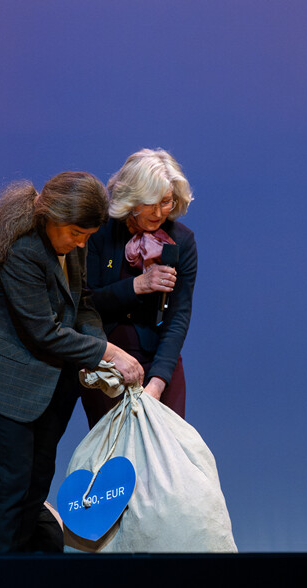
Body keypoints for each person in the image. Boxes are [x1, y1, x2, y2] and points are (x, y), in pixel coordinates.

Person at [0, 172, 144, 553]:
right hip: (3, 381)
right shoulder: (22, 248)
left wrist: (95, 343)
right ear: (54, 216)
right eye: (77, 234)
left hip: (49, 382)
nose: (82, 243)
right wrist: (109, 353)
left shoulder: (71, 241)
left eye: (88, 236)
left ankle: (24, 566)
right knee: (10, 482)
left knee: (38, 477)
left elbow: (83, 302)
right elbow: (43, 331)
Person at [80, 149, 196, 427]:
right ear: (130, 198)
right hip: (106, 359)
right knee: (115, 448)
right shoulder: (99, 233)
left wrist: (157, 383)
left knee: (168, 446)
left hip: (159, 359)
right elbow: (85, 303)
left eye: (166, 202)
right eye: (150, 203)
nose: (159, 213)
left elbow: (178, 317)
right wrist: (137, 285)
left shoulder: (183, 241)